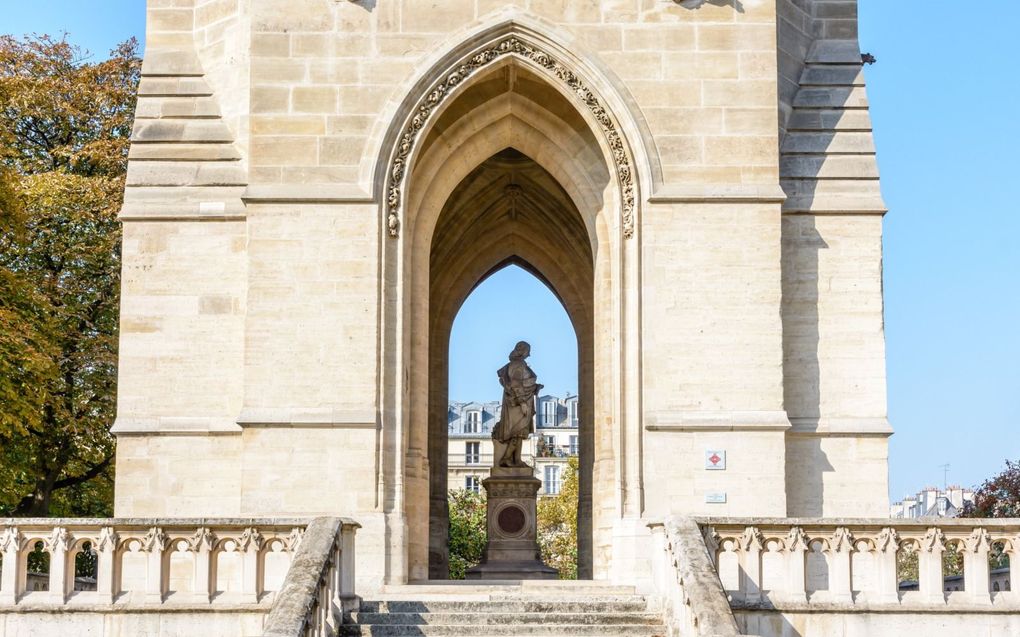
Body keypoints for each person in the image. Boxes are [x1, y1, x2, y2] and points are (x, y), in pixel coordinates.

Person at [492, 341, 543, 467]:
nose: (529, 354)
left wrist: (535, 387)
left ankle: (516, 459)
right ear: (522, 351)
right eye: (527, 351)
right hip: (517, 404)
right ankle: (507, 458)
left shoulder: (519, 364)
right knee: (517, 431)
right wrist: (522, 403)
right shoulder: (517, 365)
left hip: (520, 402)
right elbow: (515, 384)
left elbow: (522, 383)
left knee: (520, 432)